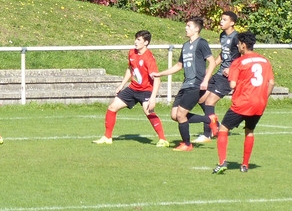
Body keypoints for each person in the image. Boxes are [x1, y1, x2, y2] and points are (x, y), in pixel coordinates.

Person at [152, 17, 218, 151]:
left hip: (196, 84)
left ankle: (187, 144)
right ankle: (209, 120)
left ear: (196, 29)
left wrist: (205, 80)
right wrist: (160, 74)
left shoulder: (202, 43)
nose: (186, 28)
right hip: (186, 84)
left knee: (181, 114)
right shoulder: (186, 45)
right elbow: (178, 65)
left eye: (188, 26)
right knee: (174, 115)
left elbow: (212, 62)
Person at [213, 32, 275, 173]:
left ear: (243, 45)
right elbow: (271, 82)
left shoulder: (238, 62)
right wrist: (263, 97)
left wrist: (229, 74)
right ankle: (245, 165)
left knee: (223, 129)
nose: (237, 45)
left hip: (242, 102)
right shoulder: (265, 61)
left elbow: (233, 85)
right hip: (259, 103)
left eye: (239, 43)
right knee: (250, 131)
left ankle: (222, 163)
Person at [94, 30, 169, 146]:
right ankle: (107, 137)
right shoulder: (132, 53)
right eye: (136, 39)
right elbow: (130, 69)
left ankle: (163, 139)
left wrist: (153, 98)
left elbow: (157, 79)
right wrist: (122, 84)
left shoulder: (149, 58)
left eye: (139, 40)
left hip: (146, 90)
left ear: (146, 42)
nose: (135, 42)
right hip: (132, 88)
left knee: (148, 112)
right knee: (112, 107)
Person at [195, 11, 240, 144]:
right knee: (201, 99)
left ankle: (207, 134)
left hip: (228, 77)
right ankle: (215, 123)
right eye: (221, 19)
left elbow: (243, 56)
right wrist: (213, 64)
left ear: (232, 23)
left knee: (210, 102)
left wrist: (232, 69)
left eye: (224, 19)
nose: (221, 21)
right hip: (219, 73)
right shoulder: (223, 35)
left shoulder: (237, 38)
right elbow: (224, 53)